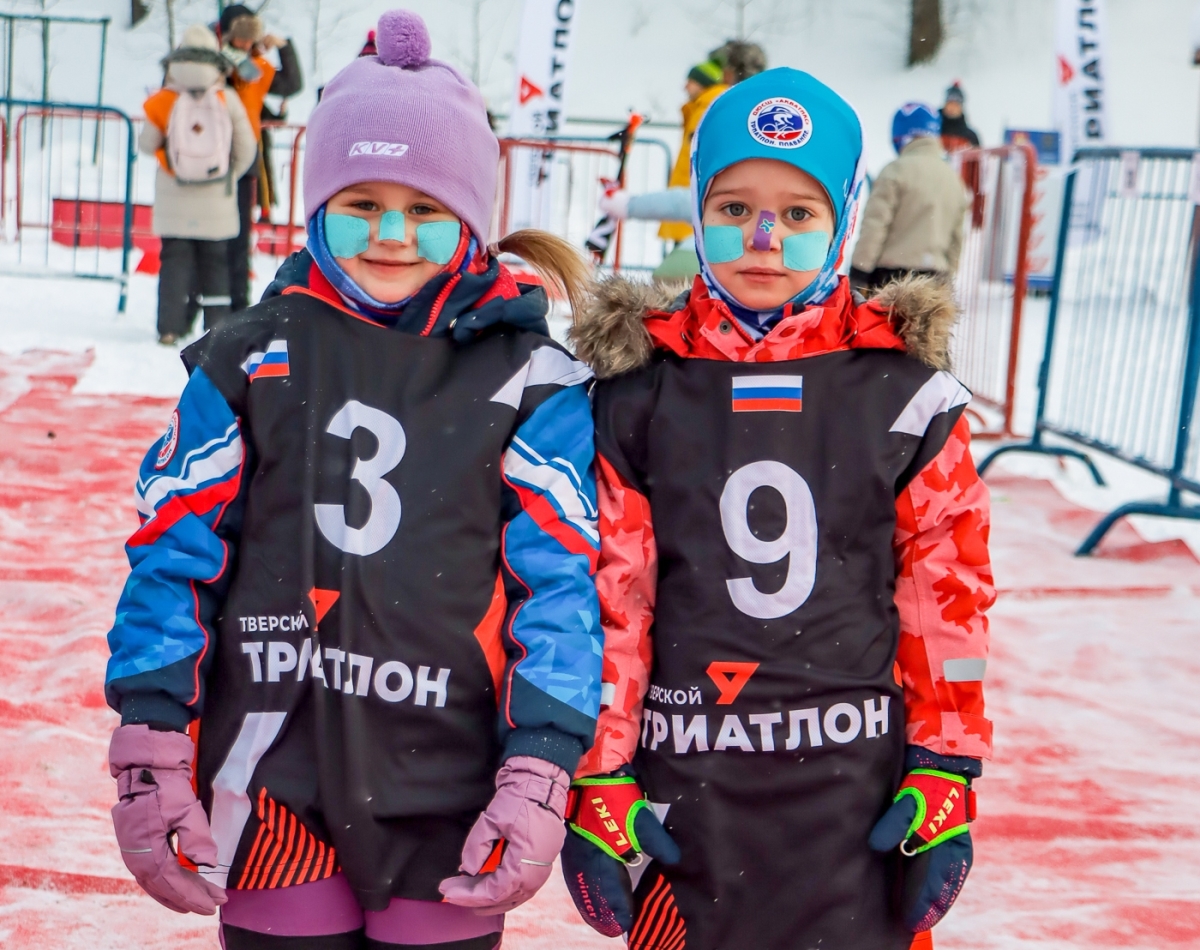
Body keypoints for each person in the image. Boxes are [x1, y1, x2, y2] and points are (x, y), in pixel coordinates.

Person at [105, 11, 601, 949]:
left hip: (448, 784)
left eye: (423, 208)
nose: (390, 232)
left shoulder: (532, 377)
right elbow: (169, 556)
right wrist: (152, 743)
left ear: (470, 218)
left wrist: (541, 761)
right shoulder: (251, 356)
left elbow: (561, 586)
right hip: (274, 774)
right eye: (361, 200)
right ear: (315, 201)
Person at [563, 68, 993, 950]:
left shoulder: (901, 396)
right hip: (688, 786)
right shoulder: (640, 394)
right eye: (733, 210)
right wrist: (599, 778)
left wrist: (946, 765)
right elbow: (611, 596)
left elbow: (946, 589)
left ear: (843, 219)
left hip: (853, 788)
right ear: (695, 214)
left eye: (799, 214)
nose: (764, 238)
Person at [140, 24, 255, 345]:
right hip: (216, 197)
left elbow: (147, 144)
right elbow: (247, 148)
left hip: (173, 196)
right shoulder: (227, 98)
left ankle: (169, 328)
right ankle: (217, 327)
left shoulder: (163, 100)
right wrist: (227, 174)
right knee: (215, 262)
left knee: (174, 262)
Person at [219, 5, 304, 312]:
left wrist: (283, 47)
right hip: (219, 155)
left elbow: (289, 85)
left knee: (240, 236)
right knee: (218, 236)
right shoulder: (224, 61)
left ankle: (236, 303)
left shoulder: (248, 66)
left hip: (243, 158)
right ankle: (221, 302)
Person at [849, 103, 968, 293]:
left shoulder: (895, 171)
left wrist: (859, 271)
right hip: (934, 280)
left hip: (890, 278)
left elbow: (875, 226)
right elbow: (957, 237)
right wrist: (948, 275)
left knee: (884, 324)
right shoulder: (953, 179)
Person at [939, 82, 980, 152]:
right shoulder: (934, 130)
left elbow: (978, 160)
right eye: (950, 103)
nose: (952, 108)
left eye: (956, 105)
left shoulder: (970, 136)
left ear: (961, 107)